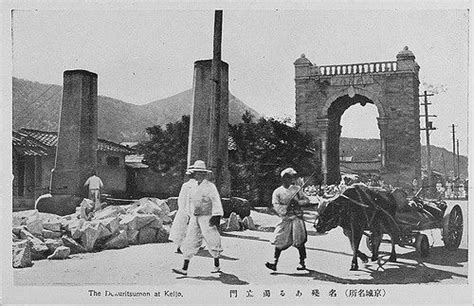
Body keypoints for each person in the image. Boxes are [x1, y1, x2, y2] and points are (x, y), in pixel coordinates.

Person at [172, 160, 224, 276]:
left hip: (207, 216)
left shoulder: (210, 187)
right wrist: (188, 214)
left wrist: (216, 215)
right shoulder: (192, 187)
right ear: (194, 174)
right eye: (196, 173)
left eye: (201, 173)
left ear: (205, 174)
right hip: (195, 217)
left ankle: (216, 264)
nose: (198, 175)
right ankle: (184, 268)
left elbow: (216, 201)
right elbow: (190, 202)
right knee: (190, 239)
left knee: (212, 239)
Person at [265, 167, 310, 271]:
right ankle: (274, 262)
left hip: (297, 218)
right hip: (285, 219)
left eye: (291, 177)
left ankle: (302, 262)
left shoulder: (297, 189)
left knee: (299, 241)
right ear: (283, 178)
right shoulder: (277, 192)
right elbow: (275, 204)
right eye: (288, 177)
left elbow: (306, 200)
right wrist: (285, 208)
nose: (291, 180)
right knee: (279, 239)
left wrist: (298, 202)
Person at [169, 169, 197, 254]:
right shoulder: (197, 185)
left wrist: (181, 208)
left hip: (183, 209)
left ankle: (180, 246)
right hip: (192, 210)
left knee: (182, 229)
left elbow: (181, 198)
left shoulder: (185, 185)